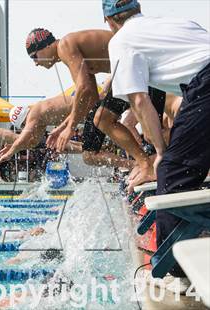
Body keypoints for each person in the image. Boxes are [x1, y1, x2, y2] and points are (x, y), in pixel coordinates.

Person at [102, 0, 210, 288]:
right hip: (201, 85)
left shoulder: (121, 40)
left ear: (109, 21)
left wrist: (161, 153)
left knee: (173, 174)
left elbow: (139, 100)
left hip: (206, 85)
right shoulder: (175, 24)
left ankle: (175, 273)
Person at [18, 28, 170, 185]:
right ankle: (145, 164)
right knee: (107, 120)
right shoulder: (72, 51)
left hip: (141, 69)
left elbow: (83, 88)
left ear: (46, 46)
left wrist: (70, 128)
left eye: (34, 56)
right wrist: (64, 127)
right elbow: (90, 97)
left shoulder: (65, 45)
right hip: (132, 71)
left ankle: (151, 164)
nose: (35, 63)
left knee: (146, 133)